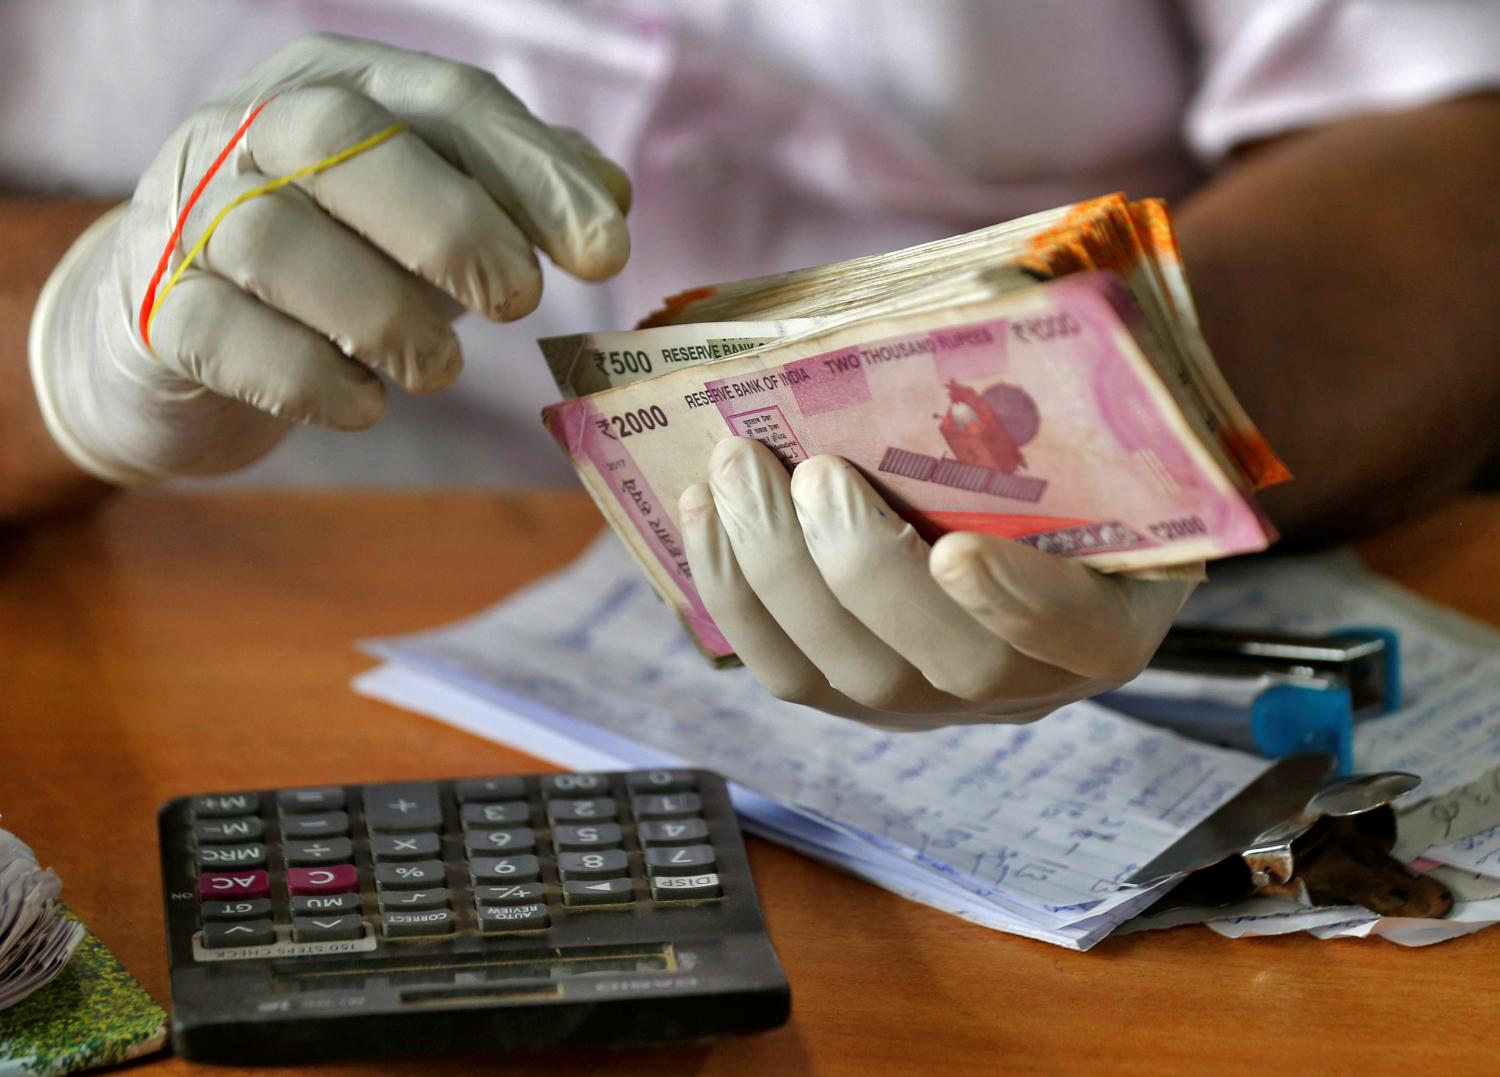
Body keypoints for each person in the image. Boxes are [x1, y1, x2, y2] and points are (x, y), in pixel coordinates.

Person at [3, 1, 1498, 730]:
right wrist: (69, 346)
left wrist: (1135, 437)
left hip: (1149, 649)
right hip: (251, 650)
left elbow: (1443, 139)